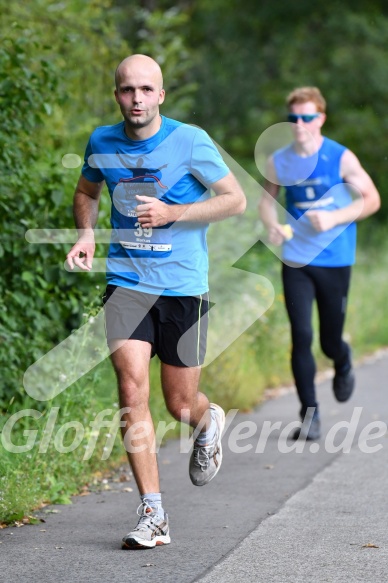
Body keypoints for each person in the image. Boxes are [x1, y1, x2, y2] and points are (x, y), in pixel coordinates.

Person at [66, 54, 246, 549]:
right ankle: (154, 514)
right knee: (131, 390)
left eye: (146, 90)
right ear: (116, 94)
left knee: (180, 403)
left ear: (161, 95)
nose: (137, 99)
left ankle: (207, 420)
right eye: (128, 90)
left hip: (184, 286)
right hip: (127, 281)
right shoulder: (102, 141)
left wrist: (174, 212)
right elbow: (86, 190)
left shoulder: (191, 140)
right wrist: (85, 234)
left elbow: (235, 199)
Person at [259, 86, 380, 440]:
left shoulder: (340, 157)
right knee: (301, 335)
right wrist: (271, 226)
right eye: (293, 118)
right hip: (297, 259)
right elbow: (267, 202)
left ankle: (342, 360)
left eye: (307, 117)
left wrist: (336, 217)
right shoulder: (279, 160)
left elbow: (372, 199)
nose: (299, 124)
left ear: (321, 119)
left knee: (328, 340)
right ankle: (309, 416)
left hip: (335, 260)